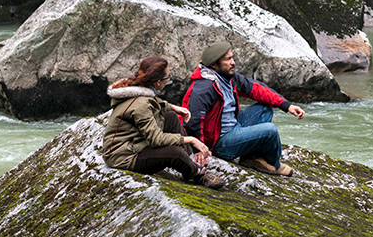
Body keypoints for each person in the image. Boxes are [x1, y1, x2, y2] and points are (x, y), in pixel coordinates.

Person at [182, 41, 305, 176]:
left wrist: (287, 105)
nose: (233, 62)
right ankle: (274, 164)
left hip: (232, 125)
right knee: (271, 131)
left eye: (232, 57)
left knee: (265, 109)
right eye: (228, 59)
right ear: (214, 65)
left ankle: (251, 158)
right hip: (219, 142)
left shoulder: (226, 76)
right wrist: (199, 148)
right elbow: (192, 119)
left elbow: (256, 89)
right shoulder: (204, 89)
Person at [103, 56, 225, 189]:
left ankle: (188, 161)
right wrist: (190, 139)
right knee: (174, 153)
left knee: (171, 117)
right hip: (124, 156)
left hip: (133, 142)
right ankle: (196, 174)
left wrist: (173, 107)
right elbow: (156, 140)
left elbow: (152, 101)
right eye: (168, 76)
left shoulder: (135, 87)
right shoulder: (141, 105)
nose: (169, 79)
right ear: (158, 82)